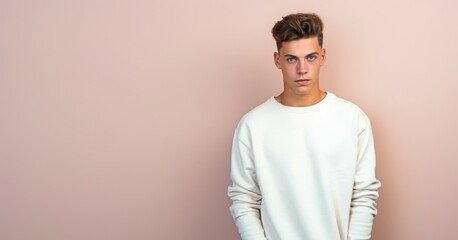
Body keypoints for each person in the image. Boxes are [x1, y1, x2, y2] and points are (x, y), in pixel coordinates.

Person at [227, 13, 381, 240]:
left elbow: (364, 196)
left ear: (323, 56)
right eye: (291, 59)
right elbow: (244, 200)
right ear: (277, 60)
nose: (302, 69)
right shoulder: (253, 125)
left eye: (310, 57)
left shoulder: (353, 119)